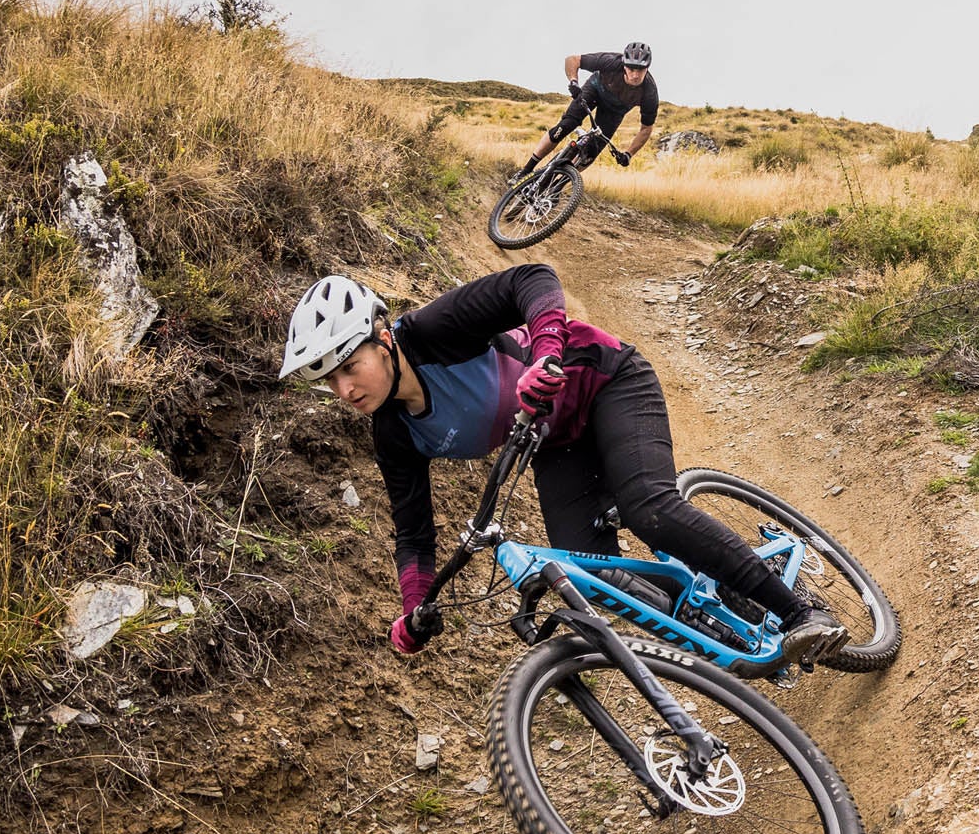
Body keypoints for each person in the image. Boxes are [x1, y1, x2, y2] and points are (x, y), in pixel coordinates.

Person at [277, 266, 847, 663]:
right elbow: (413, 533)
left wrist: (545, 356)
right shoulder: (394, 432)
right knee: (597, 575)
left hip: (606, 378)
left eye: (349, 366)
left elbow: (534, 279)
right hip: (556, 441)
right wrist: (414, 607)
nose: (343, 388)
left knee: (647, 508)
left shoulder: (431, 332)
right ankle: (720, 612)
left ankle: (802, 616)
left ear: (382, 339)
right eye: (328, 378)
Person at [515, 42, 658, 180]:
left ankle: (558, 186)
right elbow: (573, 60)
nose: (635, 75)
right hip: (594, 91)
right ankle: (525, 171)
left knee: (591, 153)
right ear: (624, 64)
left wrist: (629, 154)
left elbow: (646, 129)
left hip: (614, 112)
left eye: (640, 70)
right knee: (565, 126)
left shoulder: (649, 92)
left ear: (647, 68)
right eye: (631, 69)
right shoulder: (611, 61)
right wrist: (573, 81)